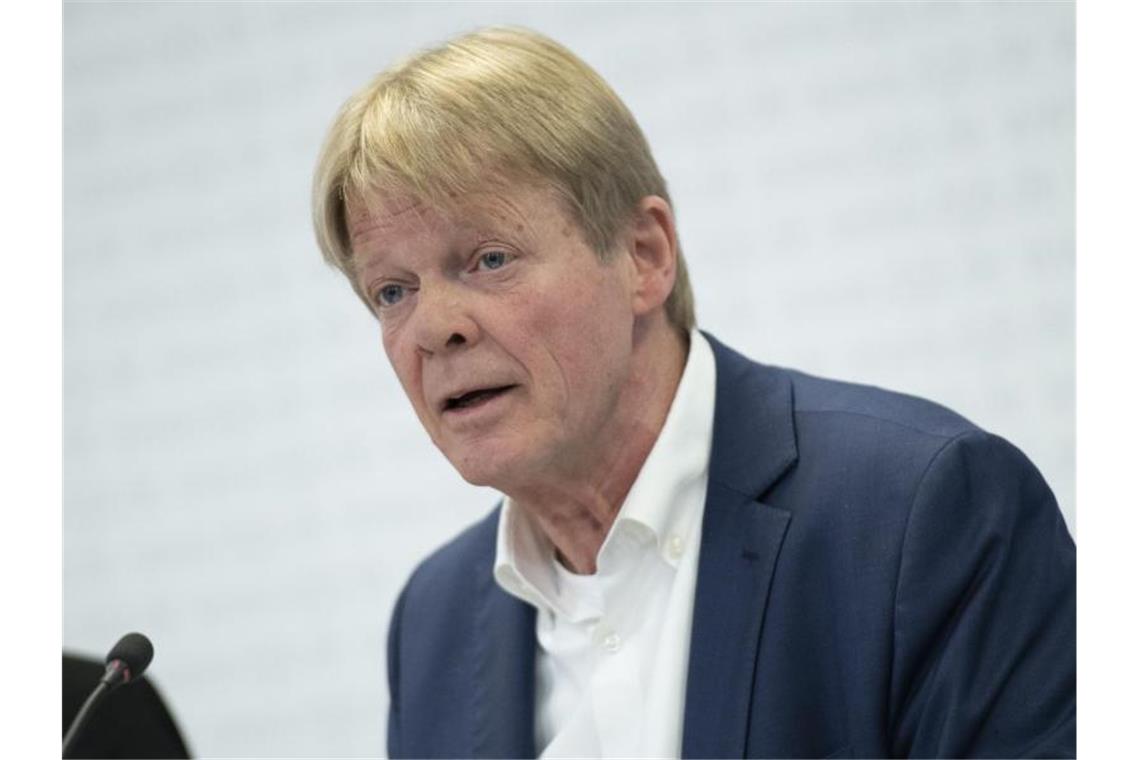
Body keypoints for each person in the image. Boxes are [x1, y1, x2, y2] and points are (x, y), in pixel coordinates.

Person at [311, 27, 1075, 759]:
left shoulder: (923, 514)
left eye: (489, 258)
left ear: (645, 256)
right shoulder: (433, 625)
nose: (433, 327)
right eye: (391, 291)